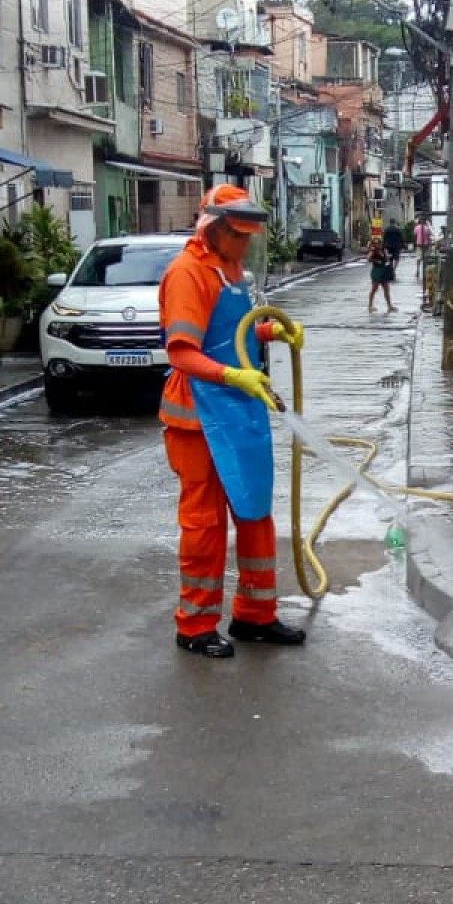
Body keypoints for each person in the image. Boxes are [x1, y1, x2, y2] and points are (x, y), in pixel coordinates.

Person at [159, 183, 307, 660]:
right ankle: (196, 625)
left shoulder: (232, 271)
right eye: (239, 235)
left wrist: (273, 330)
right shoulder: (187, 273)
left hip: (241, 408)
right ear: (214, 228)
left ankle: (255, 615)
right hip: (198, 418)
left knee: (255, 512)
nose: (246, 244)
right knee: (204, 524)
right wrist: (232, 375)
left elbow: (233, 334)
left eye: (249, 237)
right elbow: (182, 352)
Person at [367, 227, 394, 313]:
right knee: (374, 288)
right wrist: (375, 260)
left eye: (378, 243)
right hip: (376, 271)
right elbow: (368, 258)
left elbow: (387, 258)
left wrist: (388, 258)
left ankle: (390, 306)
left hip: (383, 271)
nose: (377, 245)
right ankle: (370, 306)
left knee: (386, 289)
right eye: (375, 244)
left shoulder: (383, 250)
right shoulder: (374, 251)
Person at [413, 215, 432, 280]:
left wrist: (415, 242)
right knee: (425, 259)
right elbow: (429, 236)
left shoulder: (416, 227)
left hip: (419, 244)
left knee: (418, 258)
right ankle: (424, 271)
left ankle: (418, 270)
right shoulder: (427, 228)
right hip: (426, 245)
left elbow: (415, 235)